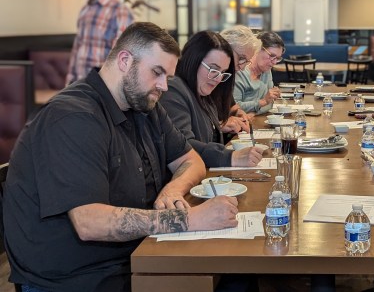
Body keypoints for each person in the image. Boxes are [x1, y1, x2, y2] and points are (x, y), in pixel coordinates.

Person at [4, 22, 239, 292]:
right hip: (76, 278)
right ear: (125, 60)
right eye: (157, 72)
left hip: (134, 255)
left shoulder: (145, 106)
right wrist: (191, 219)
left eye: (167, 76)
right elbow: (89, 222)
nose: (164, 86)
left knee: (237, 279)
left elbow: (192, 160)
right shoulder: (73, 117)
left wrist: (172, 189)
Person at [159, 30, 264, 168]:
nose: (218, 78)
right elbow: (182, 146)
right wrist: (230, 157)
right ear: (193, 59)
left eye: (222, 73)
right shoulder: (174, 90)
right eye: (213, 69)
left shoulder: (203, 92)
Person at [66, 0, 134, 85]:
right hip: (79, 92)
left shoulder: (120, 12)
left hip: (100, 95)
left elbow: (122, 64)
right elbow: (76, 54)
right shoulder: (85, 10)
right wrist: (67, 90)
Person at [220, 25, 262, 129]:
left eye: (246, 61)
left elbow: (231, 106)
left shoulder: (228, 76)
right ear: (225, 48)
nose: (242, 68)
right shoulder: (211, 76)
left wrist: (238, 112)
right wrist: (220, 125)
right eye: (241, 58)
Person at [233, 31, 283, 115]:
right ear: (257, 49)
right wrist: (262, 102)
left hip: (254, 122)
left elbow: (270, 104)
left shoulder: (267, 70)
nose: (274, 62)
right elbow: (233, 109)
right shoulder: (239, 70)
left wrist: (252, 113)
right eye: (271, 56)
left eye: (277, 58)